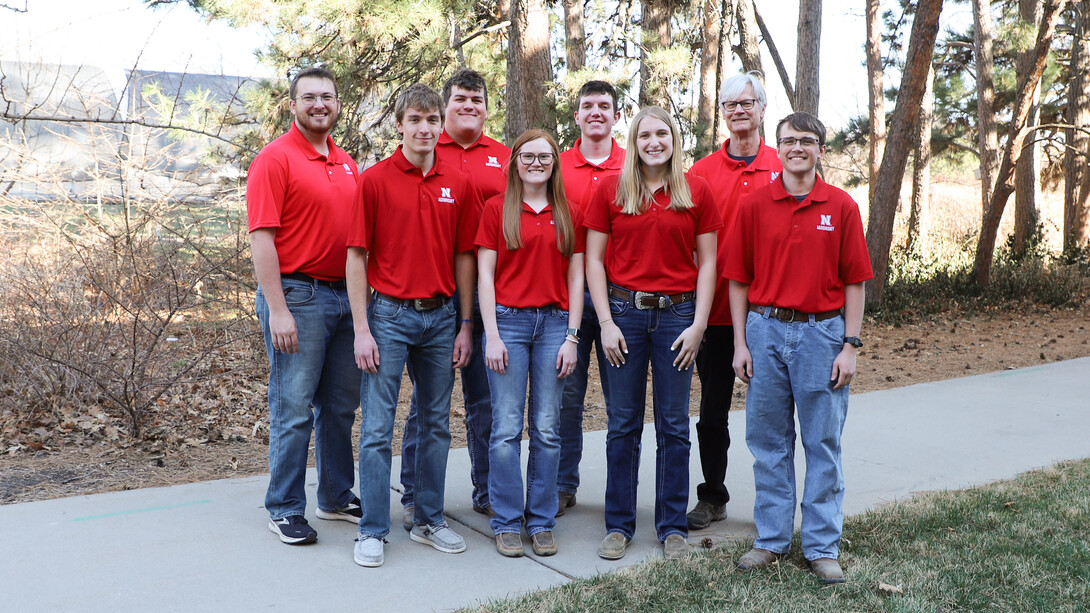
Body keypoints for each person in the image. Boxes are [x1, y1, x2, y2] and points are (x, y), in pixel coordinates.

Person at [725, 112, 873, 584]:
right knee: (768, 441)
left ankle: (822, 545)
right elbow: (737, 280)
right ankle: (770, 539)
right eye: (789, 141)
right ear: (778, 146)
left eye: (807, 142)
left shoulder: (841, 206)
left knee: (822, 442)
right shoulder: (754, 205)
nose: (797, 149)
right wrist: (739, 343)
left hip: (821, 335)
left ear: (820, 150)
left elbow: (855, 282)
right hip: (765, 330)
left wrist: (850, 345)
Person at [346, 83, 480, 568]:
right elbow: (356, 257)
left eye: (432, 120)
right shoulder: (375, 180)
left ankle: (427, 519)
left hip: (442, 317)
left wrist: (466, 323)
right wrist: (362, 328)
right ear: (399, 124)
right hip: (389, 317)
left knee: (436, 425)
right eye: (415, 120)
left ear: (440, 124)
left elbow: (465, 257)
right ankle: (373, 529)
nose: (424, 128)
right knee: (378, 427)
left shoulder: (457, 183)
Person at [584, 106, 721, 561]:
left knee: (674, 425)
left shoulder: (696, 190)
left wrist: (699, 325)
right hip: (624, 315)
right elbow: (594, 262)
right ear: (635, 141)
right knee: (623, 424)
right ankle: (619, 525)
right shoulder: (612, 189)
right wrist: (604, 322)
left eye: (662, 133)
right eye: (645, 135)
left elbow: (708, 265)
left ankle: (672, 527)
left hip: (679, 318)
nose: (654, 142)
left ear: (673, 139)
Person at [246, 67, 362, 545]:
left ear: (337, 105)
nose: (319, 104)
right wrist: (278, 308)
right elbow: (262, 239)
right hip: (299, 295)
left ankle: (335, 496)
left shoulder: (347, 161)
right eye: (309, 97)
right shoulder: (275, 160)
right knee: (292, 407)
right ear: (292, 105)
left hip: (346, 298)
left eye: (328, 97)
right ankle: (284, 507)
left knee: (338, 407)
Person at [399, 68, 508, 525]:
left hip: (495, 303)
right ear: (443, 108)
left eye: (477, 99)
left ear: (487, 107)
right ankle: (415, 493)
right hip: (436, 301)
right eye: (460, 98)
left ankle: (486, 490)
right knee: (428, 404)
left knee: (486, 404)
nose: (469, 105)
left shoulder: (505, 157)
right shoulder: (424, 146)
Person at [477, 130, 584, 558]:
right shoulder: (495, 210)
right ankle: (505, 521)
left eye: (544, 156)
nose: (536, 162)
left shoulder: (568, 211)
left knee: (546, 427)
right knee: (505, 429)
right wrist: (492, 335)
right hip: (508, 323)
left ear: (555, 163)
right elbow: (485, 275)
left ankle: (540, 520)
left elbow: (576, 278)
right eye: (527, 155)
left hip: (556, 325)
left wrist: (573, 336)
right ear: (515, 161)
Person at [685, 71, 782, 530]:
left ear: (763, 110)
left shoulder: (785, 166)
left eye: (748, 103)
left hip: (773, 313)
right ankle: (713, 495)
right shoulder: (699, 174)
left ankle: (776, 503)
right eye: (731, 105)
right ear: (723, 114)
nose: (739, 111)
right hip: (718, 316)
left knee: (773, 417)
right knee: (712, 414)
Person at [555, 80, 625, 516]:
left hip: (622, 301)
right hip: (568, 301)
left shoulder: (636, 164)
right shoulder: (555, 165)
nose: (596, 112)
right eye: (587, 106)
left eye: (605, 105)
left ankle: (619, 493)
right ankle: (563, 484)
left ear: (617, 116)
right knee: (567, 397)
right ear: (577, 117)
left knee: (622, 403)